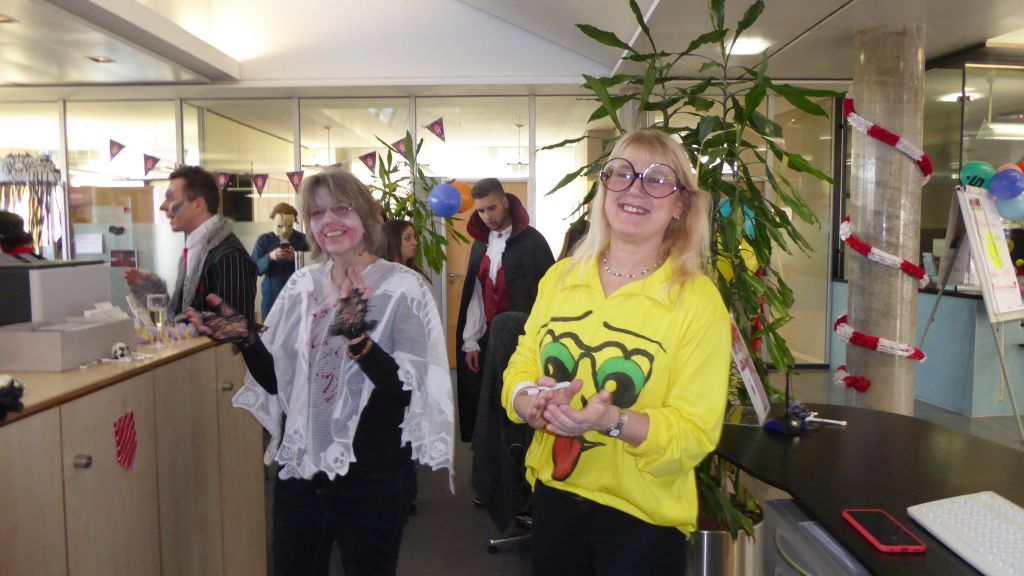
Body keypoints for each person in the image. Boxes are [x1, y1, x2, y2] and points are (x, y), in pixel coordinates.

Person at [187, 167, 453, 576]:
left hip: (371, 479)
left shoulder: (404, 289)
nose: (328, 220)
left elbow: (408, 390)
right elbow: (278, 382)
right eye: (316, 212)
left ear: (368, 217)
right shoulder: (301, 287)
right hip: (301, 476)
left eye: (342, 209)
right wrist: (246, 338)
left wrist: (358, 340)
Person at [501, 129, 731, 576]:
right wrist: (531, 403)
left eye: (657, 179)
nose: (635, 190)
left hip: (643, 517)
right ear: (604, 188)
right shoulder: (561, 279)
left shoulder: (698, 301)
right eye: (621, 173)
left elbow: (694, 431)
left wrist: (611, 420)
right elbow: (520, 366)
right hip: (555, 499)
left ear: (680, 204)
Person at [456, 179, 554, 442]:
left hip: (524, 339)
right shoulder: (480, 245)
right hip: (489, 338)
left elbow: (550, 297)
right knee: (489, 399)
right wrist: (471, 341)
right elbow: (476, 294)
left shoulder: (533, 243)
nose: (487, 216)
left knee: (522, 398)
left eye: (492, 208)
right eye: (481, 211)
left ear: (505, 202)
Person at [125, 166, 257, 324]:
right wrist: (155, 293)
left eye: (171, 198)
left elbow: (237, 329)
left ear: (198, 205)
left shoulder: (230, 257)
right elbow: (186, 316)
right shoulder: (195, 248)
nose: (163, 206)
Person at [252, 202, 310, 320]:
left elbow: (316, 265)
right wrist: (270, 257)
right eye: (280, 226)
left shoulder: (303, 239)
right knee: (270, 330)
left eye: (289, 226)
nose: (284, 230)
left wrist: (298, 257)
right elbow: (253, 268)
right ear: (274, 221)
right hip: (272, 297)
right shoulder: (264, 240)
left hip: (298, 296)